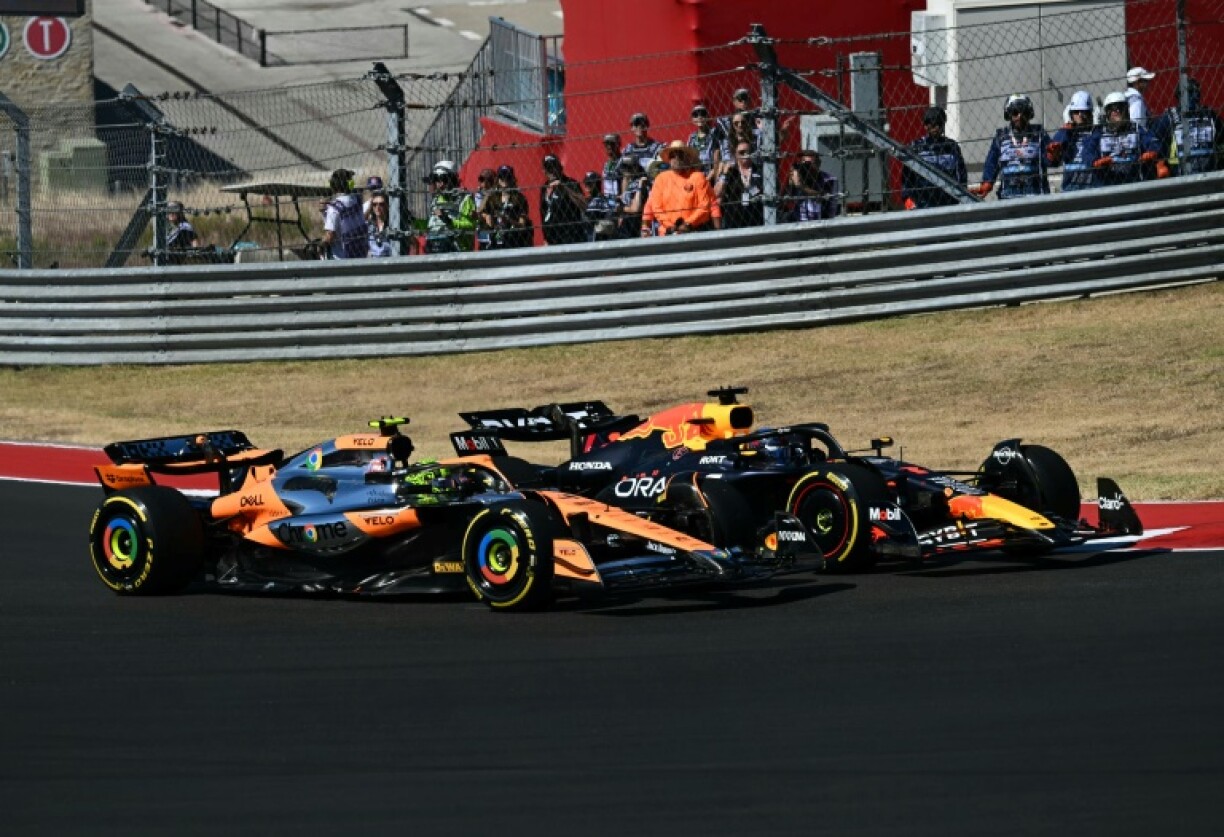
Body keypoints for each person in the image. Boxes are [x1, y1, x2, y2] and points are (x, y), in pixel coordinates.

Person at [975, 94, 1051, 199]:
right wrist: (988, 181)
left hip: (1036, 195)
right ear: (1009, 114)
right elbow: (991, 162)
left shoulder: (1039, 134)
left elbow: (1051, 159)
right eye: (1015, 112)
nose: (1019, 116)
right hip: (1008, 196)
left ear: (1029, 114)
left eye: (1023, 112)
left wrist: (1052, 155)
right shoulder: (1001, 137)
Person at [1084, 91, 1166, 188]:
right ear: (1106, 113)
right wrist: (1094, 162)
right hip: (1107, 184)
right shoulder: (1099, 132)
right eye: (1111, 109)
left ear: (1126, 110)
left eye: (1118, 107)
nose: (1115, 112)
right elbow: (1087, 151)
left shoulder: (1136, 129)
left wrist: (1152, 152)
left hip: (1134, 182)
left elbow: (1153, 141)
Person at [641, 140, 719, 236]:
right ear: (669, 159)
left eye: (680, 155)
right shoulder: (661, 179)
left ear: (687, 158)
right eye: (673, 155)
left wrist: (688, 224)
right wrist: (671, 227)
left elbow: (705, 206)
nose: (676, 158)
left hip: (694, 231)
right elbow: (656, 207)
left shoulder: (698, 177)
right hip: (667, 233)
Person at [1151, 78, 1224, 176]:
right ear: (1180, 96)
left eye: (1197, 92)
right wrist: (1160, 163)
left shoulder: (1209, 115)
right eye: (1190, 92)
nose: (1195, 96)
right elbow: (1154, 139)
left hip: (1209, 173)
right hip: (1179, 174)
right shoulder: (1170, 117)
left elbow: (1221, 137)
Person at [900, 106, 968, 209]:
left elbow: (961, 175)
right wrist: (907, 198)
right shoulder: (916, 148)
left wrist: (961, 194)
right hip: (922, 202)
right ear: (925, 126)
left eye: (939, 124)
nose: (936, 128)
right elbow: (907, 177)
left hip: (948, 200)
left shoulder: (951, 147)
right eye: (932, 125)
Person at [1048, 91, 1100, 192]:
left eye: (1084, 111)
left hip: (1093, 186)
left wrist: (1097, 127)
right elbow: (1055, 148)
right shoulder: (1066, 133)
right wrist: (1066, 129)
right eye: (1076, 112)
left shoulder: (1096, 133)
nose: (1080, 115)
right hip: (1070, 186)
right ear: (1071, 114)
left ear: (1090, 113)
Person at [422, 160, 477, 254]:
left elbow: (472, 224)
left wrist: (449, 221)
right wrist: (415, 222)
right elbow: (432, 225)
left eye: (444, 180)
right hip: (434, 246)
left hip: (459, 250)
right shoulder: (436, 200)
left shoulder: (465, 199)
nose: (440, 184)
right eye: (437, 180)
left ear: (453, 179)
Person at [480, 164, 533, 249]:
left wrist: (508, 220)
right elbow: (482, 212)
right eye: (501, 176)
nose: (504, 179)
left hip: (514, 239)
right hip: (496, 239)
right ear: (498, 179)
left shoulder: (519, 198)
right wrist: (488, 194)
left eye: (507, 176)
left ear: (512, 179)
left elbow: (522, 225)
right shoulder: (493, 198)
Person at [714, 140, 764, 229]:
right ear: (735, 155)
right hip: (734, 222)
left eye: (748, 152)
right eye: (741, 152)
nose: (745, 154)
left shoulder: (759, 171)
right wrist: (724, 174)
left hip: (757, 220)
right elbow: (717, 193)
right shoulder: (731, 172)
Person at [539, 155, 588, 245]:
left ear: (560, 168)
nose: (552, 171)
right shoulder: (544, 188)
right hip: (552, 238)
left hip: (570, 236)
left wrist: (564, 187)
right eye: (548, 168)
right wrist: (545, 238)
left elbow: (584, 205)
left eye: (554, 167)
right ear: (544, 171)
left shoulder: (570, 183)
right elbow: (543, 213)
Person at [322, 168, 369, 259]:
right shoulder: (357, 200)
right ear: (349, 184)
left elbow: (330, 235)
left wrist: (321, 243)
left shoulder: (334, 208)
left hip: (341, 258)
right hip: (360, 254)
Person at [780, 150, 840, 221]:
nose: (806, 166)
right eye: (804, 163)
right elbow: (785, 201)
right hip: (798, 219)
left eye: (809, 164)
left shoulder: (829, 179)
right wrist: (790, 183)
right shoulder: (799, 176)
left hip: (821, 219)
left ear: (818, 164)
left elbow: (824, 197)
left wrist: (801, 187)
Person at [687, 103, 725, 177]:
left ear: (707, 117)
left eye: (703, 114)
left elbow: (719, 155)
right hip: (695, 174)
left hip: (712, 173)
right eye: (696, 115)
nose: (699, 117)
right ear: (692, 120)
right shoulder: (692, 138)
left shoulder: (715, 134)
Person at [582, 170, 622, 241]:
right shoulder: (587, 200)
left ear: (596, 184)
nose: (586, 186)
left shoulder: (600, 200)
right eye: (585, 183)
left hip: (598, 236)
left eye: (589, 184)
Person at [617, 156, 649, 240]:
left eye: (629, 167)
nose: (626, 170)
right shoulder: (630, 183)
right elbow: (624, 200)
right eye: (625, 167)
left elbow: (636, 208)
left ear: (635, 167)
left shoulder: (641, 182)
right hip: (625, 226)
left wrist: (622, 209)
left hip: (635, 225)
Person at [473, 167, 497, 250]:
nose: (484, 183)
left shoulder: (498, 192)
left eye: (488, 180)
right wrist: (487, 195)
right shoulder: (479, 194)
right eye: (482, 180)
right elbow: (479, 210)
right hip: (484, 228)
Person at [366, 193, 394, 257]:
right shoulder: (369, 225)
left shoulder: (392, 224)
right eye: (374, 204)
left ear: (387, 206)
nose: (377, 207)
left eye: (381, 204)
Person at [599, 133, 623, 199]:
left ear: (618, 144)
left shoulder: (623, 162)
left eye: (612, 144)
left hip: (620, 200)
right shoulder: (606, 164)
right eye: (606, 144)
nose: (609, 147)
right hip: (607, 200)